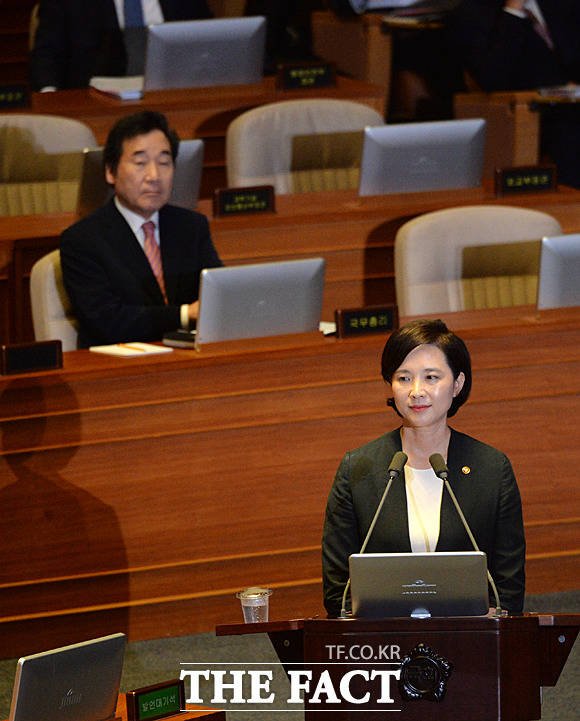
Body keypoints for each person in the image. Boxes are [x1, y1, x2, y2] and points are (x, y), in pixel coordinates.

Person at [322, 319, 526, 617]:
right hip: (382, 643)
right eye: (404, 378)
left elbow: (508, 588)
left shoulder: (492, 469)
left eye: (431, 377)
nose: (416, 391)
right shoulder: (358, 468)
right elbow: (338, 589)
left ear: (457, 384)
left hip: (471, 642)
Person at [60, 110, 222, 348]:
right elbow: (106, 321)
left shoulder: (191, 226)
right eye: (140, 163)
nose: (154, 175)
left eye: (164, 163)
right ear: (110, 172)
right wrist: (185, 314)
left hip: (185, 359)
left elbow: (218, 293)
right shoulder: (82, 240)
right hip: (118, 368)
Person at [447, 0, 580, 187]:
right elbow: (492, 78)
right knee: (569, 132)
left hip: (572, 102)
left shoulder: (561, 5)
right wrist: (513, 12)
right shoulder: (471, 15)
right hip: (533, 112)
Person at [30, 0, 213, 91]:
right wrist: (50, 99)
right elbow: (46, 56)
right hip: (97, 104)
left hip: (173, 96)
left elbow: (209, 39)